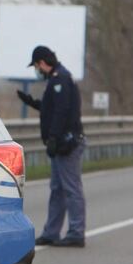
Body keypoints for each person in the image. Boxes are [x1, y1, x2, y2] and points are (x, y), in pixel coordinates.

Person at [17, 45, 87, 248]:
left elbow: (62, 111)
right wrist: (32, 103)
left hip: (67, 143)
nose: (37, 70)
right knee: (57, 188)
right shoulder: (57, 79)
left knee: (71, 188)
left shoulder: (61, 79)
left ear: (42, 62)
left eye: (37, 66)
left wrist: (54, 138)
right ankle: (51, 232)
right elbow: (52, 108)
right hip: (61, 142)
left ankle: (76, 232)